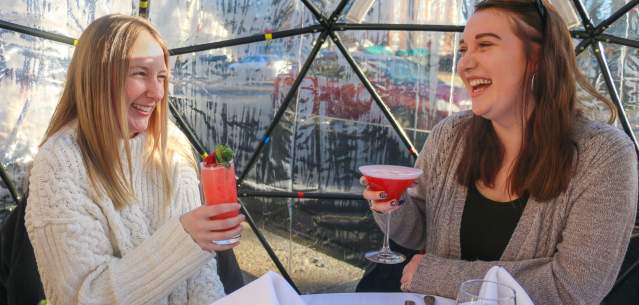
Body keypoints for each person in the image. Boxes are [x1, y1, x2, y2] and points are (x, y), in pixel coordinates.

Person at [362, 1, 638, 304]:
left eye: (485, 45)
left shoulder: (605, 156)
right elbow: (419, 234)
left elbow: (572, 288)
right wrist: (394, 203)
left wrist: (436, 274)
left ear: (537, 57)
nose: (464, 64)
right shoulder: (450, 136)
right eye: (464, 49)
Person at [25, 14, 245, 305]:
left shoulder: (172, 145)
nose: (157, 92)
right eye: (140, 73)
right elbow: (84, 298)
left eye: (162, 76)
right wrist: (183, 241)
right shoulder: (59, 163)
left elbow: (201, 272)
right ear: (98, 77)